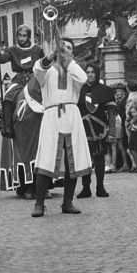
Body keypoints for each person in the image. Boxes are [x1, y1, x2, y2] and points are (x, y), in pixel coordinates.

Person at [30, 38, 92, 217]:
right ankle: (39, 203)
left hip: (71, 115)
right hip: (52, 116)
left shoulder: (74, 70)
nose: (65, 50)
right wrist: (51, 56)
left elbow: (83, 78)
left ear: (73, 52)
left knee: (72, 161)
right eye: (63, 47)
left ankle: (68, 202)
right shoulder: (47, 70)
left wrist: (69, 62)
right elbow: (37, 69)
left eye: (69, 48)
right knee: (46, 160)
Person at [0, 25, 45, 197]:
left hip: (33, 78)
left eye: (24, 35)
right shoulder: (12, 50)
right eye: (19, 35)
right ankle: (7, 126)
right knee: (8, 97)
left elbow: (44, 63)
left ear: (28, 36)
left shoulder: (37, 49)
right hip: (18, 79)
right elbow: (2, 60)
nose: (22, 38)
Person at [77, 64, 113, 198]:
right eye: (87, 72)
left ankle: (100, 187)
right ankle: (86, 187)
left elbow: (112, 112)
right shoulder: (78, 90)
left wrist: (112, 132)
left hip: (100, 130)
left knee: (99, 160)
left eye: (92, 72)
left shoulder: (105, 91)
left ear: (97, 74)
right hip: (83, 129)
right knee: (85, 160)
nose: (90, 74)